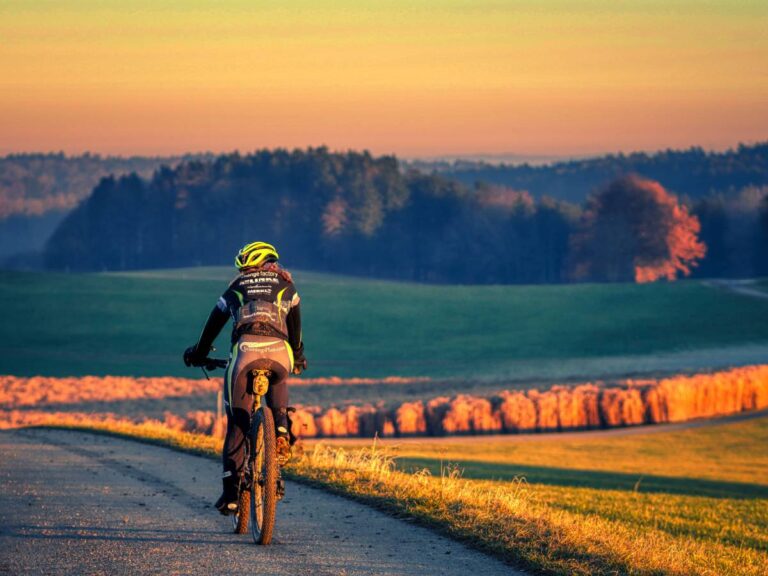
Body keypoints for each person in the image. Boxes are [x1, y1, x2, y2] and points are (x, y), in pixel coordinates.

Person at [183, 241, 306, 515]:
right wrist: (298, 356)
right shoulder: (288, 286)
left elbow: (212, 325)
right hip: (279, 353)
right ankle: (282, 428)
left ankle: (231, 495)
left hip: (245, 354)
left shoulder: (236, 288)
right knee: (279, 374)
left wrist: (199, 352)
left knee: (238, 424)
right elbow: (295, 330)